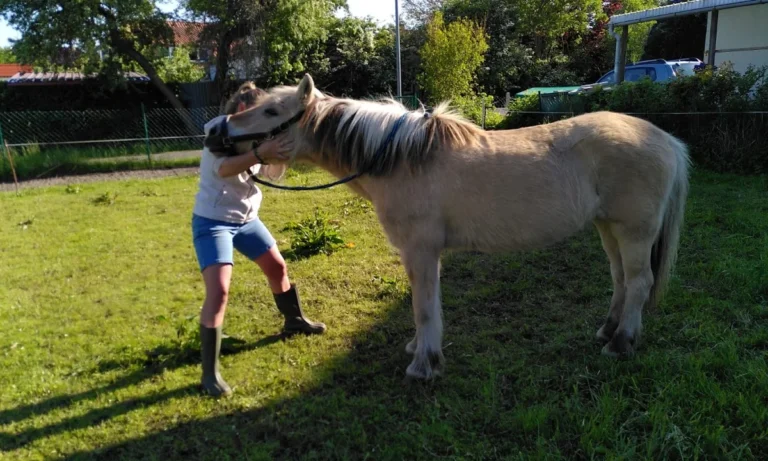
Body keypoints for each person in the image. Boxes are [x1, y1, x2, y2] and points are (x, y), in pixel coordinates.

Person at [191, 82, 326, 398]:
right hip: (213, 223)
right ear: (241, 110)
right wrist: (257, 153)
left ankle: (294, 320)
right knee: (219, 290)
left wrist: (277, 150)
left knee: (278, 268)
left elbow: (273, 170)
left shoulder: (257, 136)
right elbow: (224, 168)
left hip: (246, 221)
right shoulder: (219, 132)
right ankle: (208, 373)